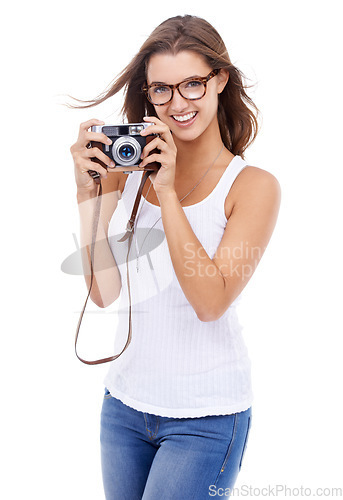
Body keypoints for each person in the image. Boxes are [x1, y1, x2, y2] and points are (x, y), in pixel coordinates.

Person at [69, 14, 281, 500]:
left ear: (220, 79)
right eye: (161, 90)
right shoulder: (126, 171)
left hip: (207, 418)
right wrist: (86, 195)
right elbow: (103, 295)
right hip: (123, 406)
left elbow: (210, 302)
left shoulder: (251, 187)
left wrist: (166, 194)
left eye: (192, 84)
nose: (177, 104)